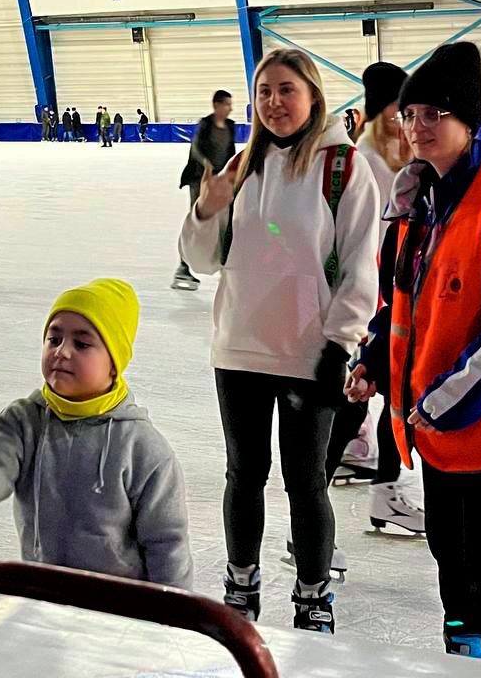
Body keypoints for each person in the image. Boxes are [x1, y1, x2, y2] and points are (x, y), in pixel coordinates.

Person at [346, 43, 481, 666]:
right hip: (440, 426)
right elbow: (402, 304)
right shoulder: (416, 203)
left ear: (468, 122)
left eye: (435, 114)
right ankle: (463, 657)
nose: (418, 127)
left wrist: (438, 402)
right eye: (411, 113)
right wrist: (371, 360)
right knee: (450, 554)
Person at [179, 48, 380, 634]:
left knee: (305, 480)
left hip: (308, 354)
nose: (274, 102)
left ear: (313, 96)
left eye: (286, 90)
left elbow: (361, 267)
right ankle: (240, 584)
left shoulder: (342, 166)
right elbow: (200, 260)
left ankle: (313, 595)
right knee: (244, 475)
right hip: (239, 349)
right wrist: (205, 210)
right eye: (264, 91)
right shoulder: (242, 166)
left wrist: (339, 343)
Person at [0, 279, 193, 589]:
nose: (62, 352)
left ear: (115, 364)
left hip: (119, 608)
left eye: (81, 344)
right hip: (43, 594)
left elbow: (167, 542)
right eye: (54, 339)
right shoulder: (25, 421)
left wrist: (173, 620)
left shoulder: (142, 448)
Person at [325, 61, 425, 542]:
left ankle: (386, 491)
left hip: (397, 302)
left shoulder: (402, 162)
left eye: (405, 112)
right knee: (354, 400)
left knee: (393, 399)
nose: (403, 122)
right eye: (394, 111)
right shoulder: (362, 159)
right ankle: (313, 503)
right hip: (369, 301)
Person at [173, 90, 236, 291]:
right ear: (216, 105)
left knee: (227, 219)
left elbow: (230, 152)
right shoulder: (206, 124)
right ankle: (183, 268)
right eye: (226, 104)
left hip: (219, 180)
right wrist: (207, 165)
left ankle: (224, 262)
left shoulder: (230, 126)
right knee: (198, 223)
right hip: (198, 179)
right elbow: (196, 148)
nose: (230, 108)